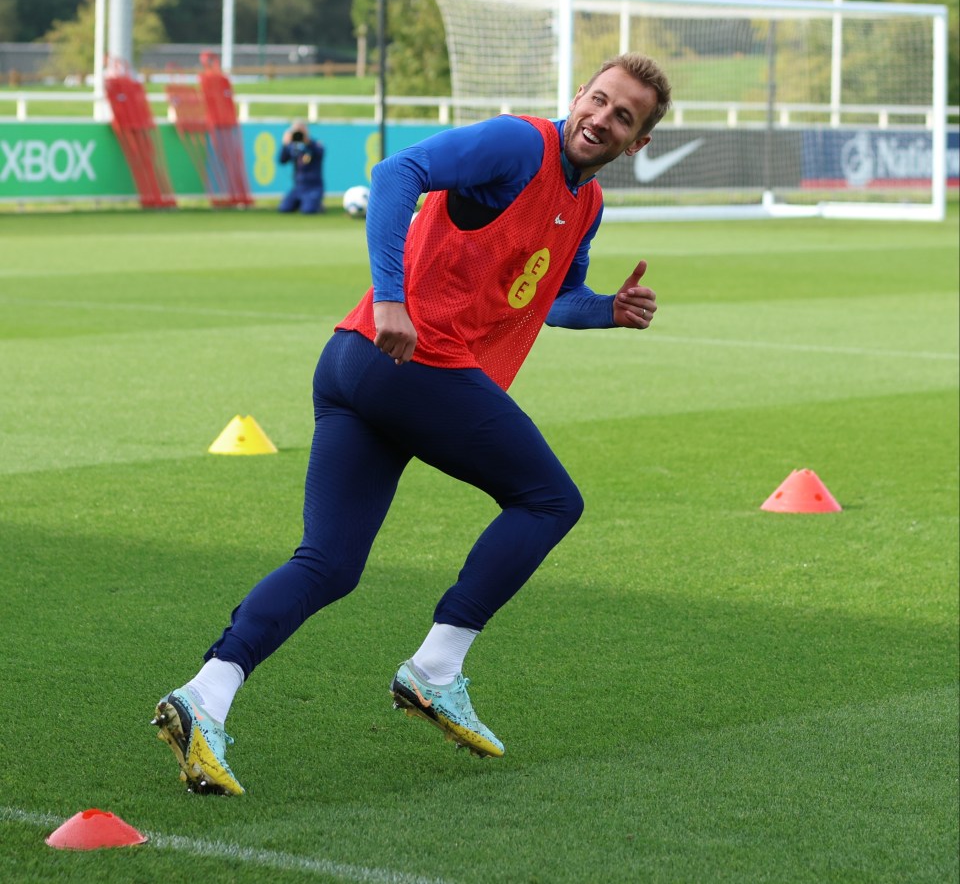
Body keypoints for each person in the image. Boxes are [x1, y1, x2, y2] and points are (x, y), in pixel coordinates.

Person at [151, 52, 672, 796]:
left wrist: (609, 313)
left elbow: (554, 296)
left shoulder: (585, 205)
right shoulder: (520, 143)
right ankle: (434, 669)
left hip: (357, 364)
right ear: (577, 96)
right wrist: (392, 295)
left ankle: (204, 696)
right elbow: (398, 173)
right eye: (598, 99)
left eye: (624, 116)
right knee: (550, 500)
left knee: (329, 565)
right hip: (408, 356)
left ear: (637, 144)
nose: (602, 118)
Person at [278, 120, 325, 214]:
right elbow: (282, 160)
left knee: (308, 210)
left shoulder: (316, 145)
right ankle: (302, 202)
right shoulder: (292, 147)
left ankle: (316, 204)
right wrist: (284, 144)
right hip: (298, 187)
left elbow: (319, 153)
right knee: (284, 208)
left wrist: (307, 142)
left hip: (313, 187)